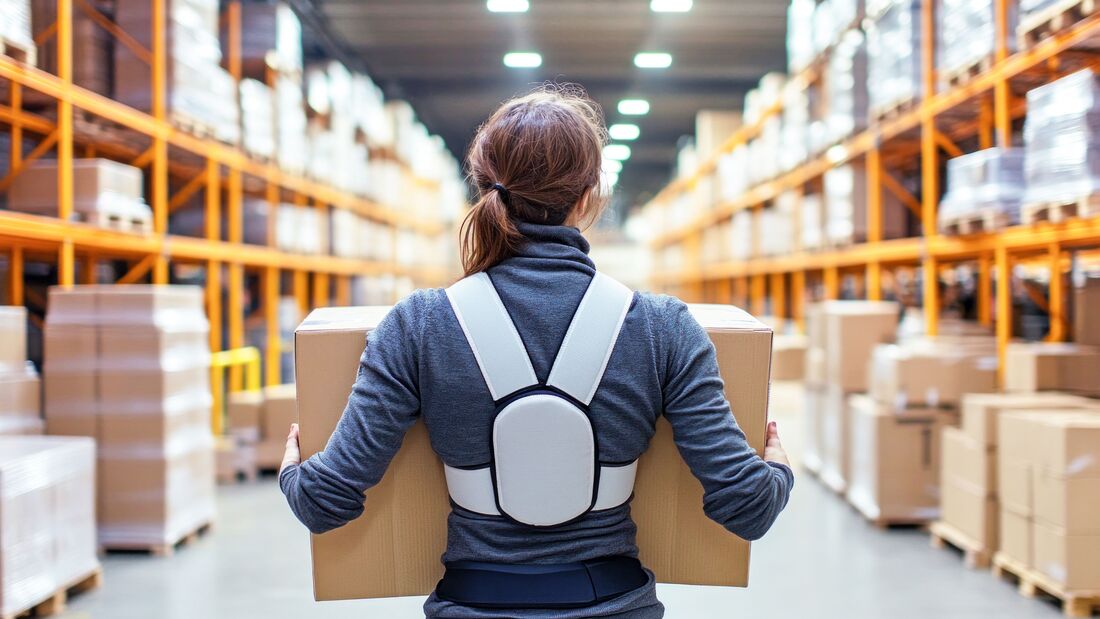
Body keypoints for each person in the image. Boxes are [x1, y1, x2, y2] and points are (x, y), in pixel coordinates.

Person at [279, 84, 793, 618]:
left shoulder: (419, 325)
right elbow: (748, 508)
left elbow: (323, 502)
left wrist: (294, 469)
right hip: (614, 605)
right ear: (591, 196)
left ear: (483, 189)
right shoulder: (662, 329)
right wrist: (778, 467)